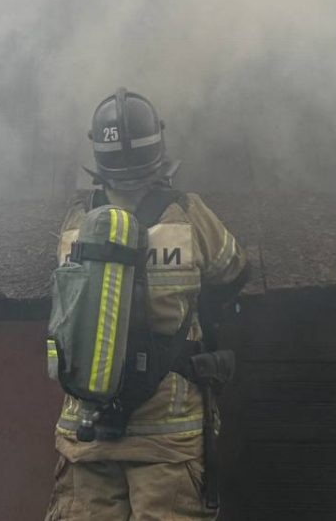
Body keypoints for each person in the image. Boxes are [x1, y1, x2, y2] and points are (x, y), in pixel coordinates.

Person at [45, 88, 249, 521]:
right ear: (158, 146)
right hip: (166, 439)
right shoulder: (188, 214)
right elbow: (234, 270)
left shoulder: (76, 222)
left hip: (85, 430)